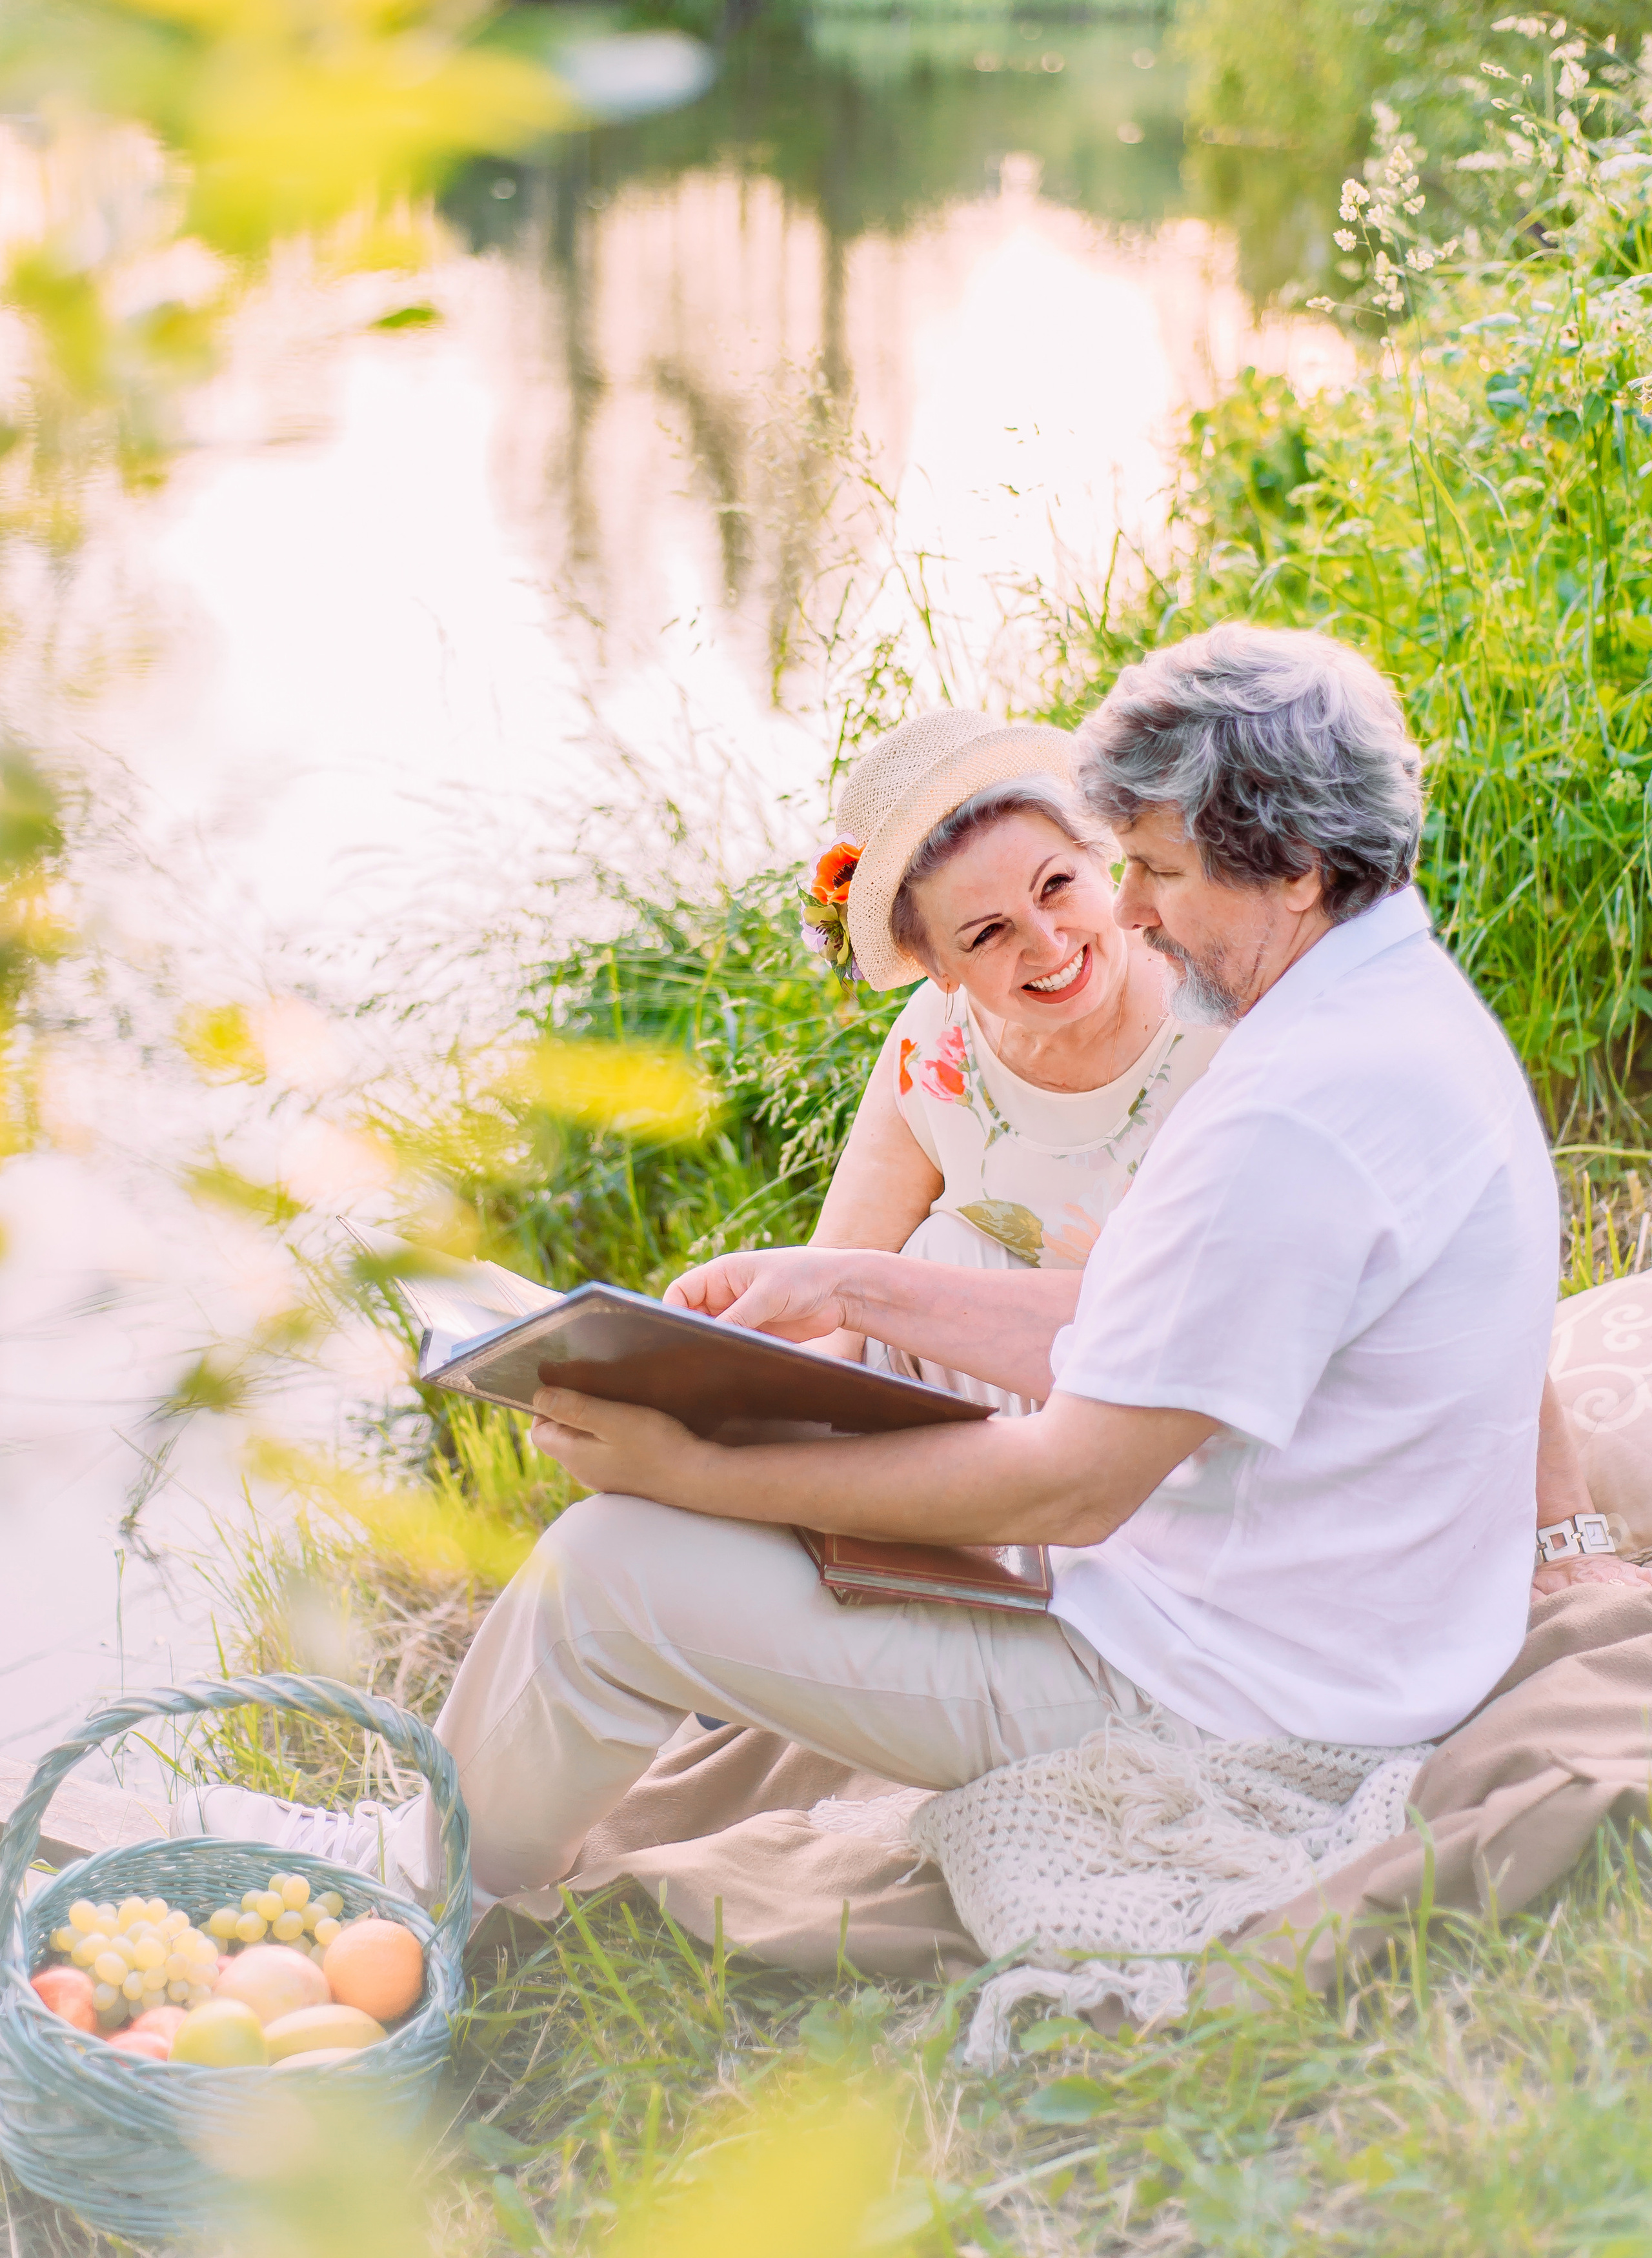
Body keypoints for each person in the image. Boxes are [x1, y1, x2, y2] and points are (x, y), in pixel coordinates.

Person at [177, 623, 1643, 1915]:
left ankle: (418, 1884)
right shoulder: (1390, 1002)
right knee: (738, 1499)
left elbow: (1071, 1484)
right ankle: (444, 1835)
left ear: (1294, 868)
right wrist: (851, 1286)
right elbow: (1152, 1332)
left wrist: (699, 1472)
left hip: (1226, 1696)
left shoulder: (1285, 1116)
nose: (1128, 912)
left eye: (1150, 870)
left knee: (607, 1572)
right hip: (1305, 1628)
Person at [800, 705, 1224, 1411]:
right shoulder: (932, 1046)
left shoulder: (1220, 1000)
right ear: (937, 968)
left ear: (1102, 859)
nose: (1048, 946)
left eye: (1056, 885)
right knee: (936, 1252)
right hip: (994, 1415)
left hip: (1191, 1397)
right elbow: (828, 1287)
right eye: (988, 933)